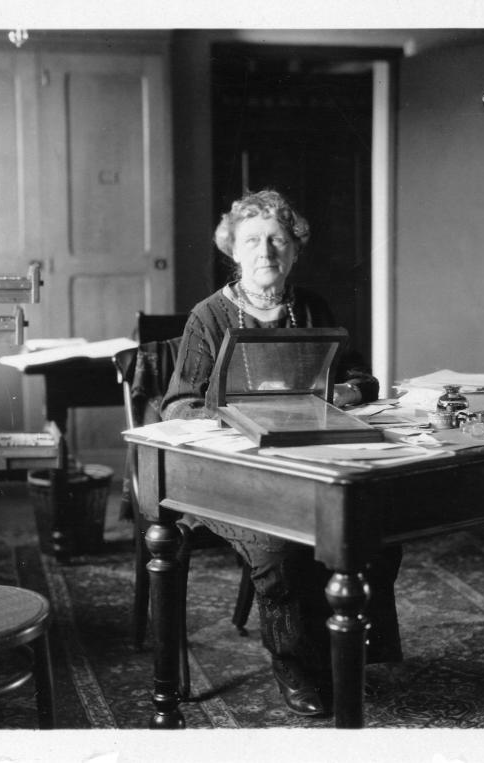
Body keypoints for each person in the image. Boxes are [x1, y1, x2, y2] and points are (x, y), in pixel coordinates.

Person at [160, 189, 402, 717]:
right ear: (233, 250)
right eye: (252, 241)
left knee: (375, 529)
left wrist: (345, 393)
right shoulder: (210, 316)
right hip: (228, 474)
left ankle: (352, 651)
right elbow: (178, 405)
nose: (265, 251)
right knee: (280, 544)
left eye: (277, 239)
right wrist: (242, 418)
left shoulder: (311, 306)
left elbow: (361, 376)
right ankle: (296, 666)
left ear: (295, 249)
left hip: (305, 463)